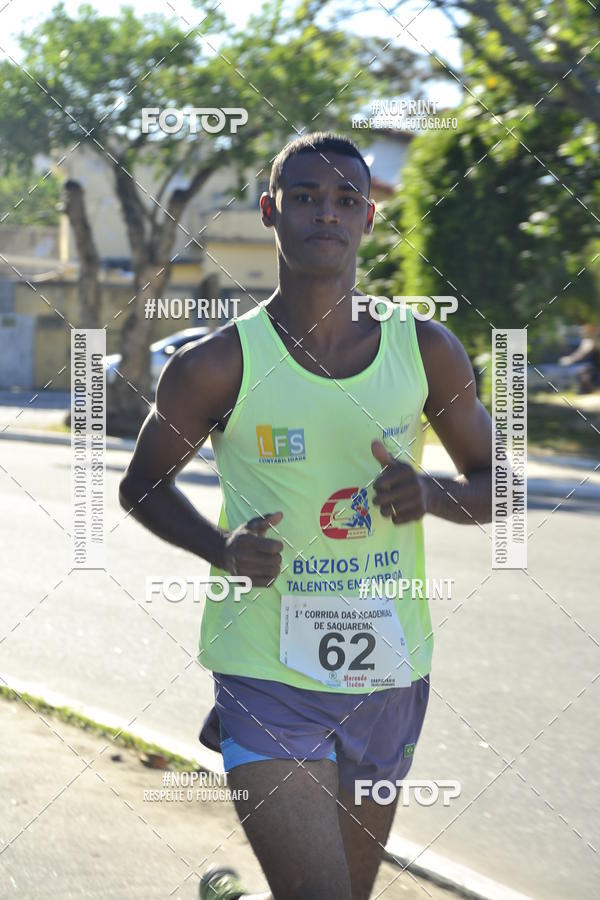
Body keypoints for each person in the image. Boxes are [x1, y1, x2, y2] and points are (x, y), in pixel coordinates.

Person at [119, 132, 493, 900]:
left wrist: (433, 495)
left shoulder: (425, 349)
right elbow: (142, 484)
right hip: (265, 673)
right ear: (270, 211)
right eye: (305, 197)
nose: (327, 212)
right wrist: (220, 548)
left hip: (388, 675)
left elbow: (500, 486)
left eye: (347, 199)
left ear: (368, 219)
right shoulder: (217, 363)